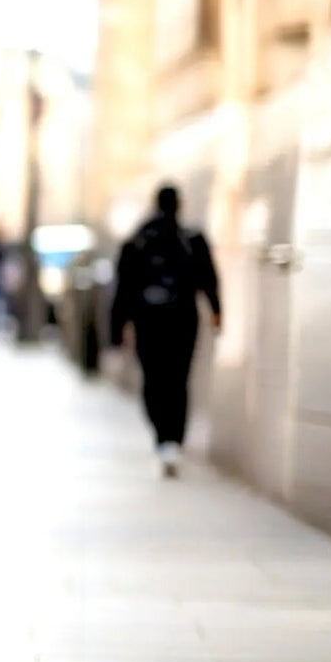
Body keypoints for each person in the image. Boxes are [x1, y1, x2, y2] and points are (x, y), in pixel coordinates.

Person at [109, 184, 222, 477]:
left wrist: (116, 329)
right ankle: (174, 439)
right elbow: (209, 280)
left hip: (147, 322)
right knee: (178, 379)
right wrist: (216, 312)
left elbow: (121, 289)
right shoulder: (192, 239)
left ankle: (162, 436)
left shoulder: (136, 241)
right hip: (183, 320)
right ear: (179, 205)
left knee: (153, 379)